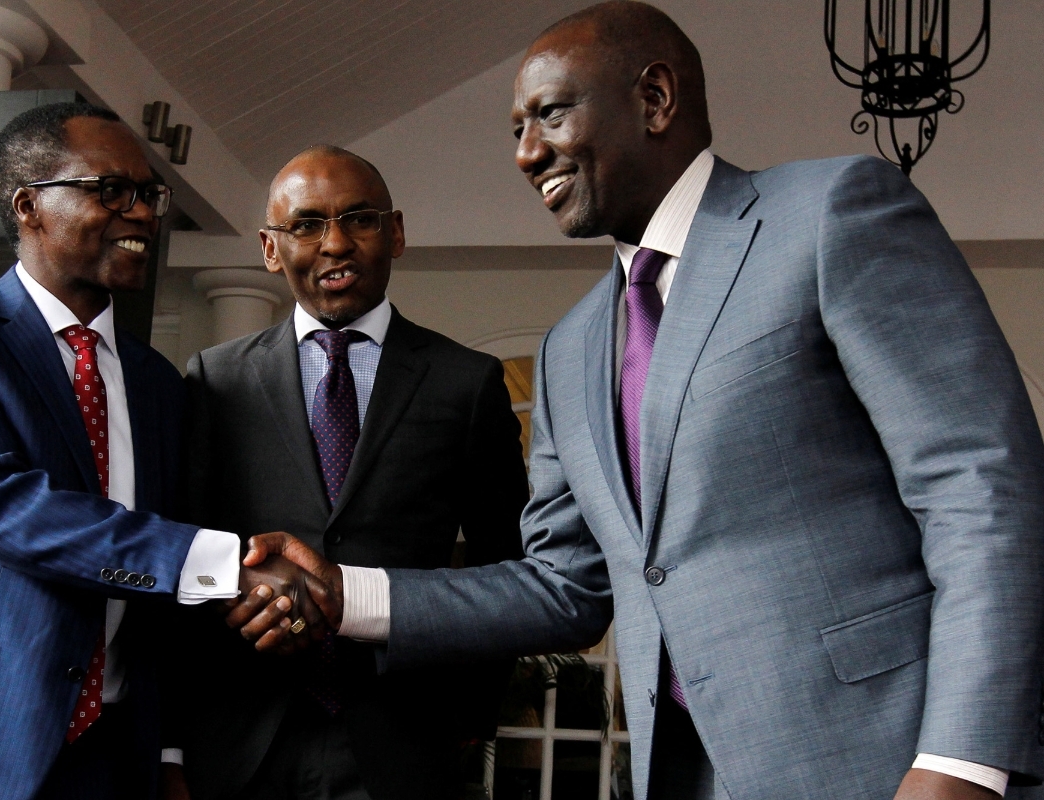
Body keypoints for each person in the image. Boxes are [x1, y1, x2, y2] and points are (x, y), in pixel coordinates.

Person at [242, 4, 1044, 800]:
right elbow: (567, 584)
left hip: (885, 757)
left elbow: (978, 488)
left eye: (549, 114)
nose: (526, 153)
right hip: (682, 770)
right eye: (516, 129)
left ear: (654, 99)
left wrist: (962, 759)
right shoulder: (570, 347)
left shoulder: (830, 213)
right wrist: (347, 592)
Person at [0, 102, 317, 800]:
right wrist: (223, 566)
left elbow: (151, 588)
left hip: (109, 749)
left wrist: (169, 745)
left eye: (149, 195)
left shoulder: (159, 383)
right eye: (111, 191)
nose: (143, 214)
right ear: (29, 205)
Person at [160, 145, 528, 800]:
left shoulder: (466, 383)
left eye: (359, 218)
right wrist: (173, 734)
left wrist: (469, 712)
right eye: (306, 225)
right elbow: (183, 552)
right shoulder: (216, 379)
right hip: (240, 737)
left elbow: (507, 562)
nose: (335, 244)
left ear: (396, 232)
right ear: (272, 250)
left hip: (405, 740)